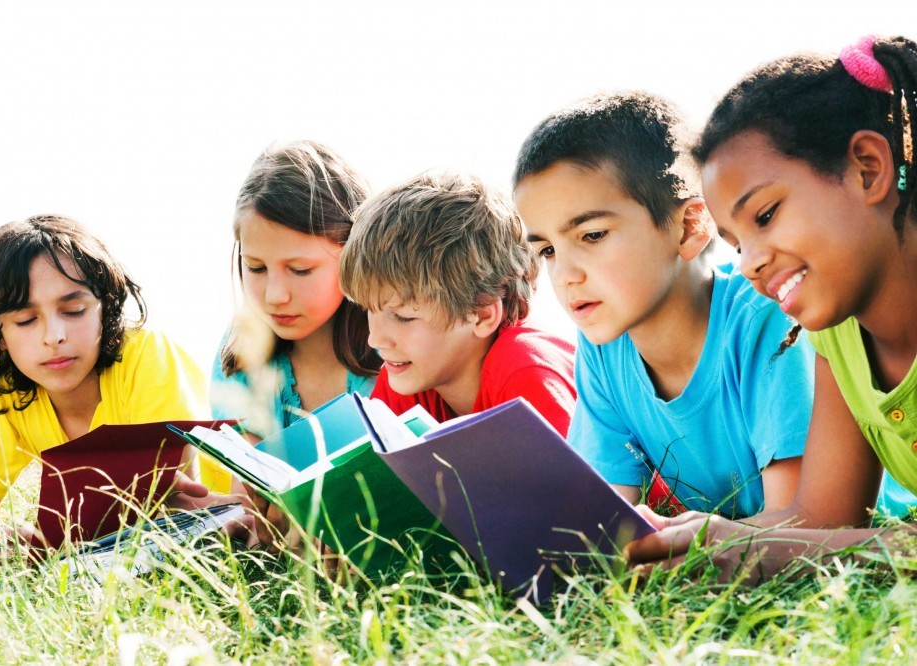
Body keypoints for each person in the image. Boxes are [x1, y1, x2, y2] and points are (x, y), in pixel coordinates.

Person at [625, 35, 917, 582]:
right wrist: (707, 537)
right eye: (736, 244)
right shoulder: (840, 338)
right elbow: (824, 518)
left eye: (764, 216)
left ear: (868, 169)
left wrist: (767, 552)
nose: (751, 264)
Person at [513, 92, 814, 518]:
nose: (564, 275)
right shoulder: (603, 349)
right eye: (547, 251)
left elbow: (797, 523)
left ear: (690, 227)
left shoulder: (764, 320)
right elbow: (598, 518)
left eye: (593, 235)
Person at [0, 215, 231, 510]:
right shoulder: (5, 389)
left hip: (228, 527)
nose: (54, 337)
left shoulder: (146, 356)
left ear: (107, 308)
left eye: (74, 310)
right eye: (25, 320)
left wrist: (52, 544)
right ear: (0, 334)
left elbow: (176, 505)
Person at [339, 170, 576, 435]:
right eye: (369, 309)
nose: (376, 340)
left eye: (404, 317)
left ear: (483, 315)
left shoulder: (526, 370)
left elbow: (573, 477)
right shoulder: (408, 376)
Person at [210, 140, 381, 437]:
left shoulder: (395, 349)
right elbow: (249, 482)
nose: (275, 296)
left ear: (354, 254)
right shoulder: (240, 356)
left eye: (300, 270)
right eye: (256, 267)